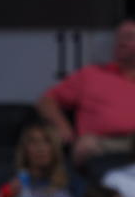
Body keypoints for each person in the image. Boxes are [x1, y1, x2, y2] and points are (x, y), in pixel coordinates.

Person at [36, 18, 135, 167]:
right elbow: (46, 101)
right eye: (119, 38)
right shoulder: (91, 75)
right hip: (99, 144)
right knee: (85, 145)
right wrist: (62, 126)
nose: (121, 42)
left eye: (129, 37)